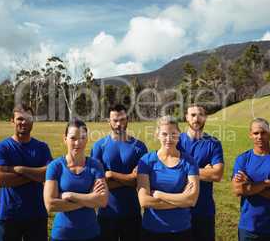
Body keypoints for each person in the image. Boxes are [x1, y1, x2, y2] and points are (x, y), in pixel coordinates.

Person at [0, 103, 53, 241]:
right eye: (20, 119)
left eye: (28, 118)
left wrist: (19, 169)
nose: (24, 122)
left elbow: (48, 174)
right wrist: (36, 175)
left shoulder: (42, 147)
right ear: (12, 121)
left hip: (37, 214)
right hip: (9, 215)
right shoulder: (1, 148)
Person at [137, 115, 200, 241]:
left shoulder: (189, 162)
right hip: (152, 229)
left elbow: (192, 200)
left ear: (179, 134)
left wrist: (159, 194)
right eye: (164, 134)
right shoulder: (146, 161)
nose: (169, 139)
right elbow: (144, 201)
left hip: (181, 229)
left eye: (173, 133)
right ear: (157, 135)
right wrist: (181, 200)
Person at [91, 103, 148, 241]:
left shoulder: (139, 147)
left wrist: (110, 175)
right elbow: (98, 184)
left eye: (122, 119)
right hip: (106, 211)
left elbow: (139, 181)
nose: (119, 123)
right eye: (115, 120)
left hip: (132, 212)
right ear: (109, 121)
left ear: (127, 119)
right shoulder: (99, 147)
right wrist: (129, 178)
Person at [44, 119, 108, 241]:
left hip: (91, 233)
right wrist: (89, 198)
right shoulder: (55, 166)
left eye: (82, 138)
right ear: (65, 139)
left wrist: (68, 195)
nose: (78, 142)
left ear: (87, 139)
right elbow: (50, 204)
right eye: (73, 138)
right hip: (62, 235)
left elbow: (102, 201)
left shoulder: (95, 167)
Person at [231, 118, 270, 241]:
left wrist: (251, 185)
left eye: (263, 132)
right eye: (256, 133)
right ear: (250, 135)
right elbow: (238, 190)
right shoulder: (242, 160)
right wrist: (266, 183)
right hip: (248, 228)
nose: (260, 136)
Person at [176, 103, 225, 241]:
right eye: (192, 115)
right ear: (186, 117)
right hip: (180, 208)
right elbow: (170, 171)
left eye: (200, 115)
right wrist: (204, 171)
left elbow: (217, 174)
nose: (196, 118)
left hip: (204, 210)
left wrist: (185, 170)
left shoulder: (213, 143)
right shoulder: (176, 142)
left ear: (206, 117)